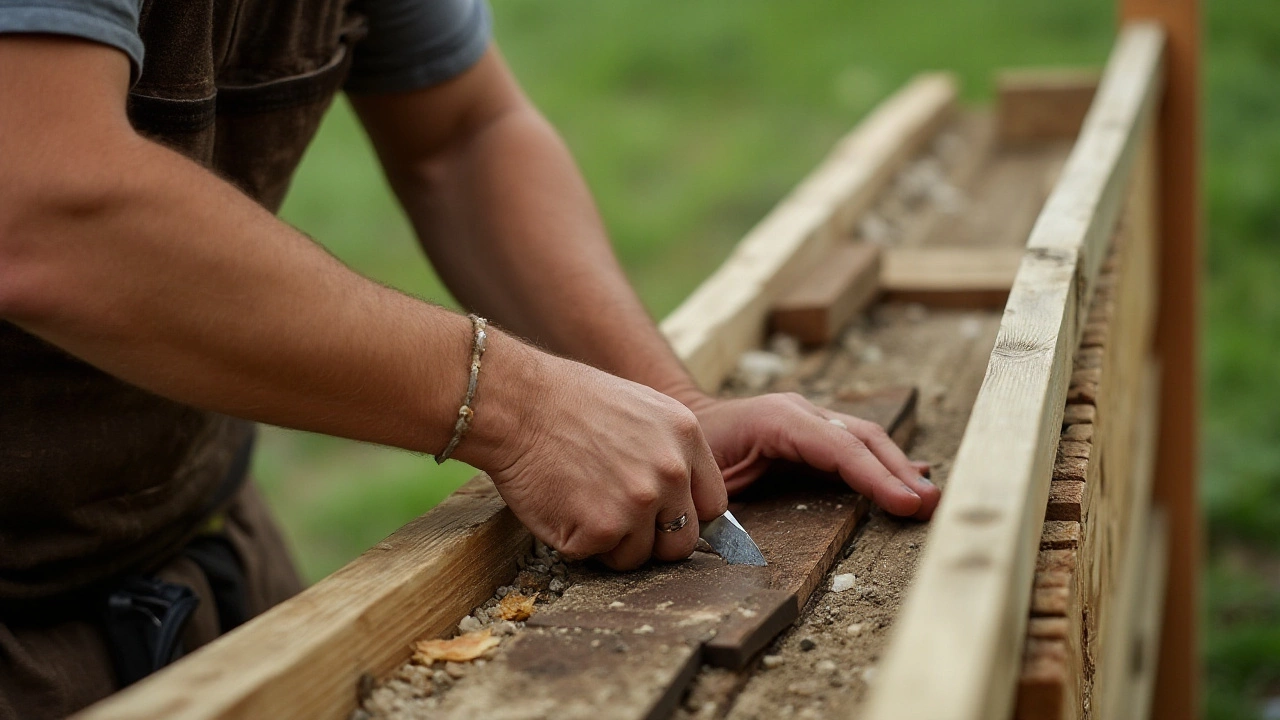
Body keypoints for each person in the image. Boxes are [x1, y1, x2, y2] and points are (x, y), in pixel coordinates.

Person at [0, 0, 940, 716]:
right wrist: (520, 407)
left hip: (182, 545)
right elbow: (39, 203)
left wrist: (666, 402)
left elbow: (460, 134)